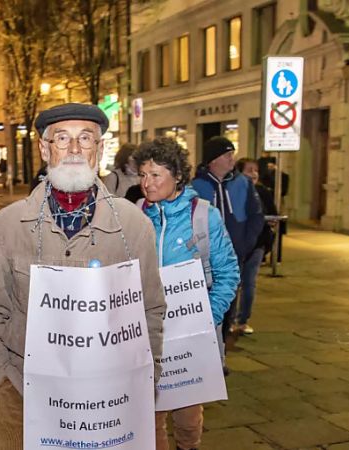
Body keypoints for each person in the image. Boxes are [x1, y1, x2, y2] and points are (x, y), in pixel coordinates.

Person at [0, 103, 166, 448]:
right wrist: (0, 372)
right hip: (23, 392)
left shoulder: (133, 225)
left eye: (85, 138)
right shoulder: (8, 226)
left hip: (108, 396)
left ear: (100, 148)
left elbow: (150, 308)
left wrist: (148, 376)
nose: (74, 149)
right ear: (45, 148)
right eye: (62, 138)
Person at [135, 137, 240, 450]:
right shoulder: (136, 216)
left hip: (190, 337)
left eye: (155, 175)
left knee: (188, 417)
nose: (146, 183)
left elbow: (228, 273)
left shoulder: (203, 216)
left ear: (177, 175)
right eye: (142, 174)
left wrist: (207, 315)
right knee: (150, 417)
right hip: (148, 336)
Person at [191, 137, 264, 346]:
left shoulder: (243, 184)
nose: (232, 159)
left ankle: (221, 351)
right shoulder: (196, 186)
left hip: (234, 256)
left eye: (232, 154)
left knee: (228, 303)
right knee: (204, 304)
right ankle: (205, 349)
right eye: (227, 155)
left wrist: (245, 245)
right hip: (205, 259)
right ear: (213, 160)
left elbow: (256, 216)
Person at [233, 158, 276, 334]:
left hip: (257, 244)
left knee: (249, 282)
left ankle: (242, 320)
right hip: (236, 244)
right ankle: (229, 318)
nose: (253, 173)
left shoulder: (263, 192)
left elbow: (273, 214)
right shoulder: (234, 191)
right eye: (249, 170)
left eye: (256, 170)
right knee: (233, 282)